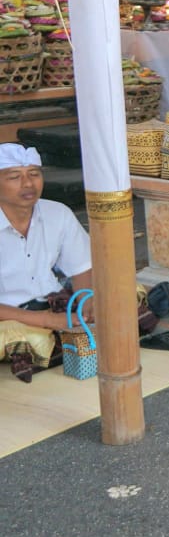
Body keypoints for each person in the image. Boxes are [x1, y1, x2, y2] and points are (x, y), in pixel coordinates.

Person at [0, 143, 92, 382]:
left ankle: (39, 346)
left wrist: (86, 307)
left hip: (52, 304)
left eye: (34, 174)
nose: (28, 184)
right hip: (7, 316)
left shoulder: (57, 213)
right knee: (14, 335)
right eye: (14, 177)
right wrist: (47, 321)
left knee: (123, 294)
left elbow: (82, 267)